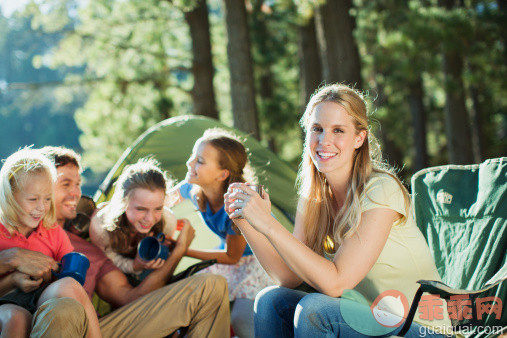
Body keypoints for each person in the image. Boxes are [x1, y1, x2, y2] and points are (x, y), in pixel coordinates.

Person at [224, 84, 447, 337]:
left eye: (338, 130)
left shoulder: (381, 190)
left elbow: (337, 283)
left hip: (419, 326)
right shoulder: (314, 199)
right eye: (316, 129)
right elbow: (288, 277)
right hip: (367, 320)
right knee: (270, 300)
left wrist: (268, 223)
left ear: (359, 138)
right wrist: (245, 220)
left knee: (315, 308)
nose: (324, 141)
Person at [39, 146, 230, 337]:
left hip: (96, 330)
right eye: (65, 184)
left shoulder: (90, 250)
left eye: (78, 184)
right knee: (62, 309)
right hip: (48, 326)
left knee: (212, 286)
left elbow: (131, 298)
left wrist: (179, 250)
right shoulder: (16, 239)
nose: (75, 193)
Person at [170, 128, 272, 338]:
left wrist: (183, 250)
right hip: (230, 258)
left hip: (259, 263)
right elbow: (163, 199)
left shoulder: (237, 204)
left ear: (222, 174)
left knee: (242, 320)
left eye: (200, 160)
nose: (190, 164)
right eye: (193, 156)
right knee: (186, 290)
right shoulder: (194, 190)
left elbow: (232, 257)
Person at [0, 148, 101, 337]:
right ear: (10, 196)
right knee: (16, 318)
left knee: (70, 286)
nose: (41, 207)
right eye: (32, 199)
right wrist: (13, 280)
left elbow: (71, 281)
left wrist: (55, 275)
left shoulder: (54, 232)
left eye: (47, 199)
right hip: (5, 302)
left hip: (41, 300)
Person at [89, 158, 181, 285]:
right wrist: (135, 265)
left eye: (158, 209)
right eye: (141, 209)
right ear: (123, 203)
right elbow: (109, 260)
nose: (149, 218)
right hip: (116, 276)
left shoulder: (168, 220)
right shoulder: (100, 225)